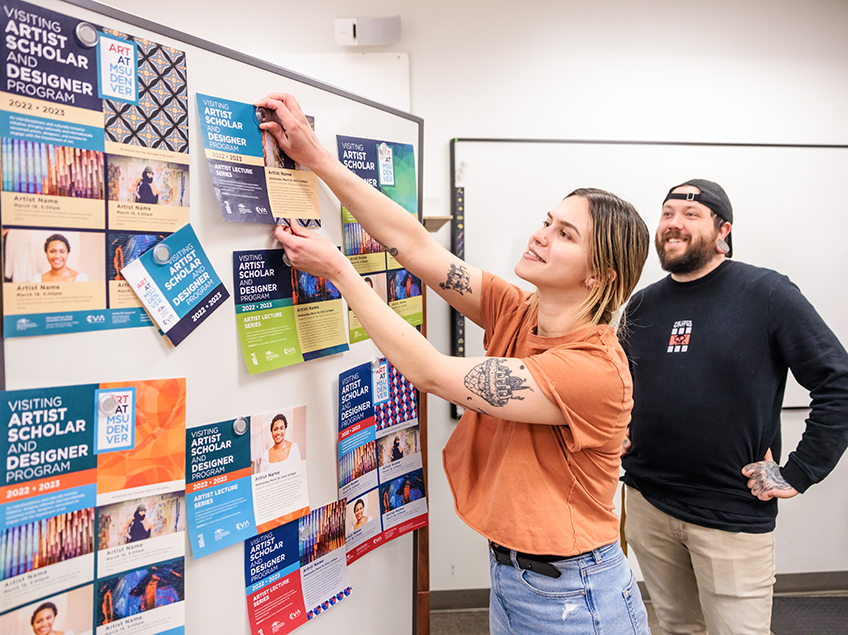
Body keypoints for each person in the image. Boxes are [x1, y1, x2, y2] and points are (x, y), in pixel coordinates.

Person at [257, 92, 652, 634]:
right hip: (518, 579)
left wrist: (341, 272)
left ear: (600, 276)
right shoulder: (518, 309)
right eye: (547, 220)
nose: (540, 235)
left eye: (566, 234)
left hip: (575, 596)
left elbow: (432, 372)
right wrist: (317, 158)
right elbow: (414, 245)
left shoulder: (594, 370)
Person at [620, 179, 848, 635]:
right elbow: (621, 385)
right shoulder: (643, 302)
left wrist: (799, 472)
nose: (674, 224)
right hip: (647, 502)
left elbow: (837, 381)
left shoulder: (766, 293)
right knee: (674, 627)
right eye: (667, 213)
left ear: (723, 230)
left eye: (690, 214)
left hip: (729, 514)